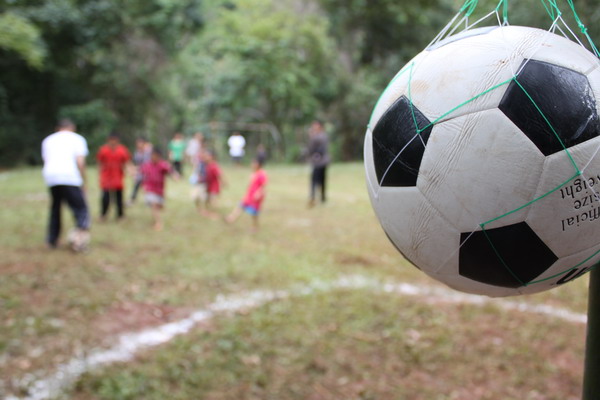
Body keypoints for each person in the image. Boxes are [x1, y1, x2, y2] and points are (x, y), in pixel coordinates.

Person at [41, 118, 90, 252]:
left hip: (52, 177)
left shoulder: (48, 140)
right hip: (70, 177)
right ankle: (79, 240)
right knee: (81, 209)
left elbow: (46, 160)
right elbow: (80, 162)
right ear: (72, 127)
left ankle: (52, 240)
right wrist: (83, 181)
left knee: (55, 208)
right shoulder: (77, 139)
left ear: (57, 128)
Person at [140, 148, 178, 231]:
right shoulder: (147, 165)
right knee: (154, 205)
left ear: (159, 156)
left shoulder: (162, 165)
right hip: (150, 189)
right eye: (152, 156)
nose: (153, 157)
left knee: (158, 206)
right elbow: (141, 173)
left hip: (159, 191)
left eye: (155, 156)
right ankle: (158, 223)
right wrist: (142, 185)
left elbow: (170, 171)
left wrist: (174, 176)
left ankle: (156, 217)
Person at [226, 157, 268, 231]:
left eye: (254, 163)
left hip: (256, 197)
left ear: (259, 164)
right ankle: (231, 218)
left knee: (254, 213)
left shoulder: (262, 174)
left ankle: (255, 227)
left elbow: (263, 186)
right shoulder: (254, 173)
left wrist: (258, 193)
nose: (252, 164)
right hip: (249, 195)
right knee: (241, 205)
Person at [96, 133, 131, 220]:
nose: (113, 142)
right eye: (111, 140)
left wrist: (129, 171)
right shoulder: (103, 150)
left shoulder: (122, 150)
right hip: (106, 177)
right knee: (105, 197)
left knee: (119, 197)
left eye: (114, 140)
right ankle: (103, 215)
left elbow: (126, 162)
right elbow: (99, 162)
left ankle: (120, 215)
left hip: (117, 177)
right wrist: (100, 173)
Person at [307, 120, 330, 207]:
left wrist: (312, 136)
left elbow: (314, 149)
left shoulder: (320, 136)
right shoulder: (321, 136)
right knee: (316, 180)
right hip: (318, 161)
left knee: (320, 180)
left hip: (320, 161)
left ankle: (320, 197)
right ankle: (315, 196)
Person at [129, 137, 152, 204]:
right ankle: (132, 199)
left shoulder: (148, 151)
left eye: (140, 143)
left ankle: (149, 200)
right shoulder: (137, 153)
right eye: (138, 143)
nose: (139, 145)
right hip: (140, 172)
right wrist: (134, 172)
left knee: (147, 187)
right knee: (136, 186)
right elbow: (136, 163)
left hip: (147, 172)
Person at [203, 149, 224, 218]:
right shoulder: (207, 165)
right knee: (207, 200)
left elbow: (219, 174)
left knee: (213, 200)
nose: (205, 157)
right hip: (208, 186)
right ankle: (207, 211)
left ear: (212, 157)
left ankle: (214, 213)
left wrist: (223, 182)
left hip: (214, 187)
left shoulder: (214, 165)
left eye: (207, 156)